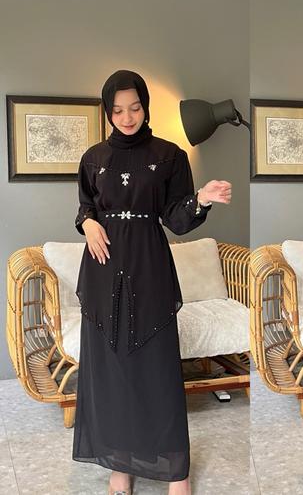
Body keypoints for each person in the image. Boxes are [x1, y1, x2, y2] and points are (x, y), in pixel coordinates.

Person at [72, 69, 232, 495]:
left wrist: (201, 200)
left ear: (146, 107)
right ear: (108, 112)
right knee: (112, 369)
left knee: (156, 369)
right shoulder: (93, 158)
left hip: (149, 266)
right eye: (118, 110)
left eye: (135, 108)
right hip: (103, 269)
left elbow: (176, 219)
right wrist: (87, 223)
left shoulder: (169, 155)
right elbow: (85, 206)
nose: (127, 117)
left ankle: (176, 471)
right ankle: (120, 465)